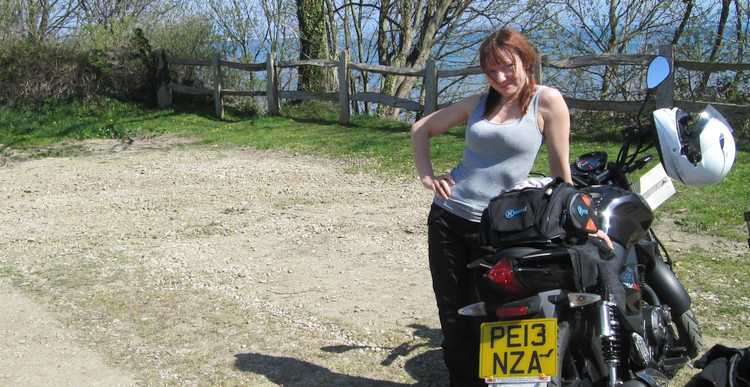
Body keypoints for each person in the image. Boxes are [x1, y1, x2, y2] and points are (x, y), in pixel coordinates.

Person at [410, 27, 573, 387]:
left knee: (498, 316)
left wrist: (577, 223)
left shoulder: (547, 102)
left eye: (507, 67)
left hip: (499, 229)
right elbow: (421, 128)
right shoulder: (480, 103)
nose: (500, 78)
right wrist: (427, 177)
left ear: (526, 60)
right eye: (491, 71)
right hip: (448, 219)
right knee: (453, 315)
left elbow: (562, 173)